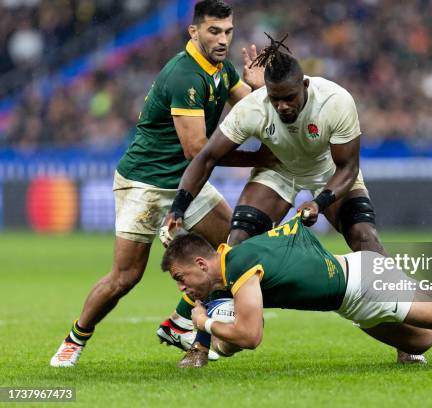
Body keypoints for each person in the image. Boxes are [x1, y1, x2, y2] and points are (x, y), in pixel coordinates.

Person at [161, 34, 427, 365]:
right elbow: (206, 158)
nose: (283, 106)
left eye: (289, 98)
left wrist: (321, 200)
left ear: (304, 85)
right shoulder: (253, 108)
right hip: (277, 171)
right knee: (235, 247)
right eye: (276, 100)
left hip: (328, 171)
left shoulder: (335, 101)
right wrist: (178, 207)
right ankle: (200, 346)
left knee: (366, 241)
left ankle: (409, 331)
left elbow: (348, 167)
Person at [50, 0, 270, 368]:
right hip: (146, 182)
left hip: (186, 181)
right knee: (126, 276)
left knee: (229, 252)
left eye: (228, 31)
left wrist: (261, 89)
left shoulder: (222, 69)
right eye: (214, 31)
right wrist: (256, 158)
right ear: (194, 32)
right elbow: (196, 149)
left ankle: (179, 324)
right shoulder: (185, 75)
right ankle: (75, 338)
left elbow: (252, 110)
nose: (222, 39)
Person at [161, 215, 432, 365]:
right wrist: (209, 337)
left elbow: (250, 336)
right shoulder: (235, 261)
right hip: (352, 295)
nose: (184, 289)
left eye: (183, 279)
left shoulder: (237, 265)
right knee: (427, 337)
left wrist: (202, 322)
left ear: (202, 263)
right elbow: (234, 335)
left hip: (363, 283)